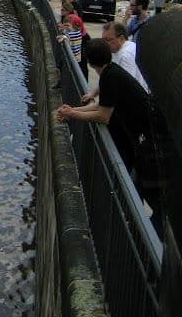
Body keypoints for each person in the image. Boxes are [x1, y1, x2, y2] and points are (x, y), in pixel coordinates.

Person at [55, 39, 165, 231]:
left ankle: (150, 231)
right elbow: (103, 105)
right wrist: (74, 109)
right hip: (145, 137)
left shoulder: (109, 76)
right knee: (140, 185)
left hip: (147, 141)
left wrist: (73, 114)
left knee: (149, 190)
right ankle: (138, 223)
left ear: (89, 62)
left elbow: (103, 116)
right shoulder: (112, 71)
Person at [81, 22, 148, 103]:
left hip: (134, 103)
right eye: (103, 40)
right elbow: (109, 78)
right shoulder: (119, 49)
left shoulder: (126, 55)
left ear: (121, 38)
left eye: (108, 40)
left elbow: (124, 86)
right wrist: (93, 94)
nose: (104, 43)